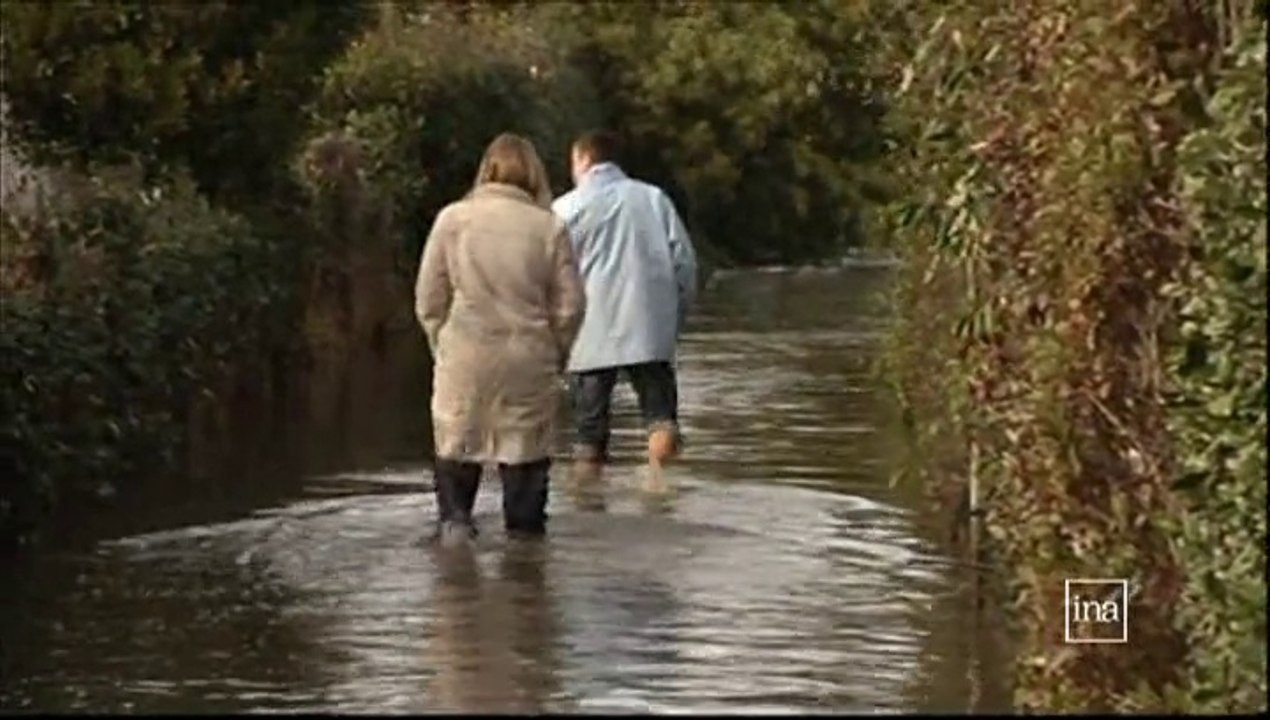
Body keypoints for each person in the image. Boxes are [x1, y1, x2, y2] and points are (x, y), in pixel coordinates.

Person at [414, 133, 586, 543]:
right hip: (527, 356)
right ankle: (525, 568)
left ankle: (456, 541)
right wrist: (554, 349)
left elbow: (428, 299)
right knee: (525, 458)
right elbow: (571, 305)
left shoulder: (452, 220)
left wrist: (442, 343)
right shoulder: (550, 228)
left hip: (466, 353)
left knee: (457, 444)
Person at [551, 130, 698, 472]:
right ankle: (659, 491)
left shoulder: (563, 208)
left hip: (586, 334)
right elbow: (685, 264)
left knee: (588, 433)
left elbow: (548, 272)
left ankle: (587, 503)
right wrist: (675, 319)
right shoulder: (653, 199)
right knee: (661, 419)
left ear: (584, 160)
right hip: (649, 326)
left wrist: (553, 330)